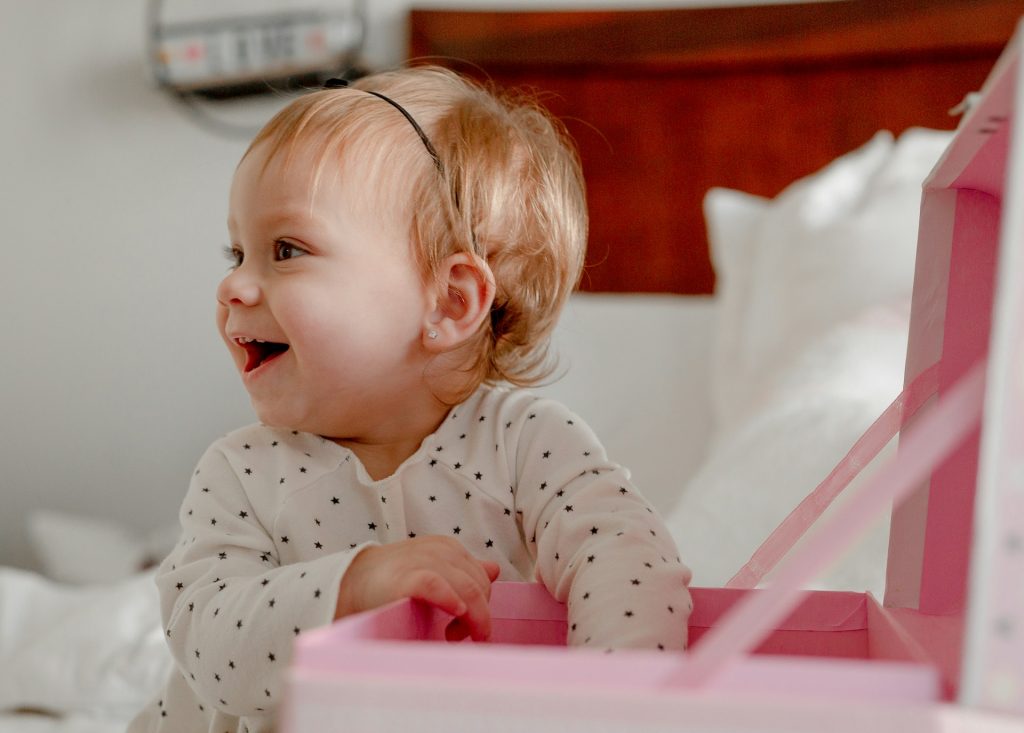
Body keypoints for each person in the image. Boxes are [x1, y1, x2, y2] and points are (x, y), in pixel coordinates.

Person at [129, 66, 692, 733]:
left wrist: (603, 708)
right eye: (237, 252)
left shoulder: (526, 445)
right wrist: (357, 583)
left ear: (450, 303)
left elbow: (630, 562)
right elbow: (209, 647)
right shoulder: (243, 473)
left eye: (285, 249)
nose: (234, 287)